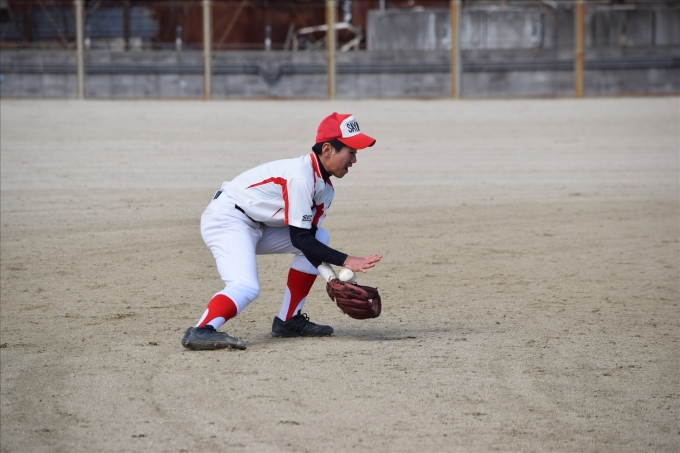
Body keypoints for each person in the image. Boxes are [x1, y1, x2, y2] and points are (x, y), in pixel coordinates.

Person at [181, 113, 383, 351]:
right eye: (351, 152)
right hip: (228, 219)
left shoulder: (325, 189)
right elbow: (299, 238)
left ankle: (288, 320)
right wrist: (346, 260)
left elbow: (307, 240)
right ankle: (201, 330)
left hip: (258, 226)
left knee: (320, 237)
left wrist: (331, 277)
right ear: (327, 149)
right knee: (245, 286)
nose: (354, 160)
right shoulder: (300, 176)